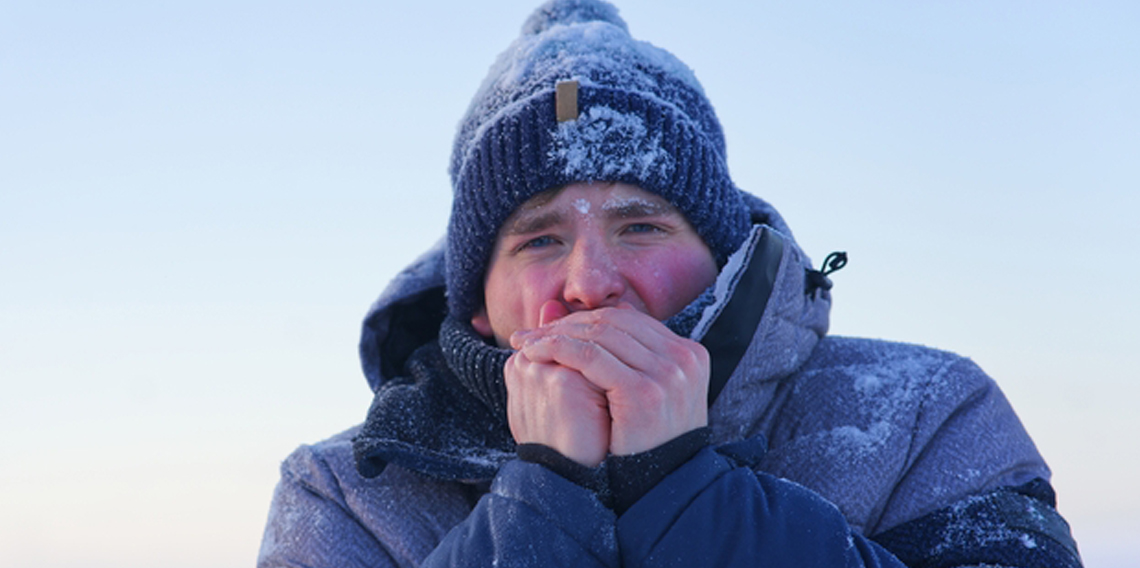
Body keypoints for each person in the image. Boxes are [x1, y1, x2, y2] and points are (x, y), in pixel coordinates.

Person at [258, 1, 1082, 566]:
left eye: (641, 225)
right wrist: (541, 501)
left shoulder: (922, 413)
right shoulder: (347, 495)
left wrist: (685, 493)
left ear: (720, 257)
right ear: (476, 301)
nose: (589, 282)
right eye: (539, 238)